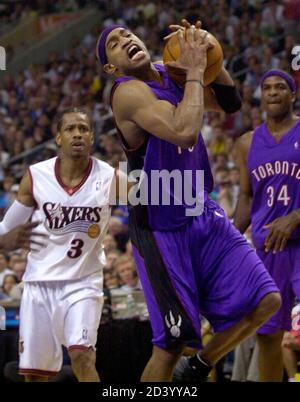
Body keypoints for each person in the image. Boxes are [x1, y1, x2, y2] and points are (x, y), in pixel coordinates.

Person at [96, 20, 281, 382]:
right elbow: (183, 130)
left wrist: (212, 58)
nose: (126, 40)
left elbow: (230, 103)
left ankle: (197, 368)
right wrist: (197, 72)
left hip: (201, 210)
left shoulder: (170, 71)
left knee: (266, 302)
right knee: (171, 344)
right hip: (161, 226)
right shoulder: (127, 92)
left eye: (127, 34)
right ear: (111, 67)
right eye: (114, 44)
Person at [0, 107, 119, 382]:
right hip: (39, 284)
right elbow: (7, 228)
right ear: (58, 138)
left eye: (84, 129)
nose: (77, 134)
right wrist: (4, 240)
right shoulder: (35, 176)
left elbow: (149, 199)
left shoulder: (110, 177)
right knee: (35, 376)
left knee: (82, 356)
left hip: (83, 282)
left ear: (91, 138)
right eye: (70, 129)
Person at [234, 69, 300, 381]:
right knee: (268, 335)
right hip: (267, 251)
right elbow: (246, 197)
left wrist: (296, 216)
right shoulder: (247, 143)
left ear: (293, 95)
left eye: (280, 87)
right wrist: (230, 239)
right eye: (267, 88)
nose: (273, 92)